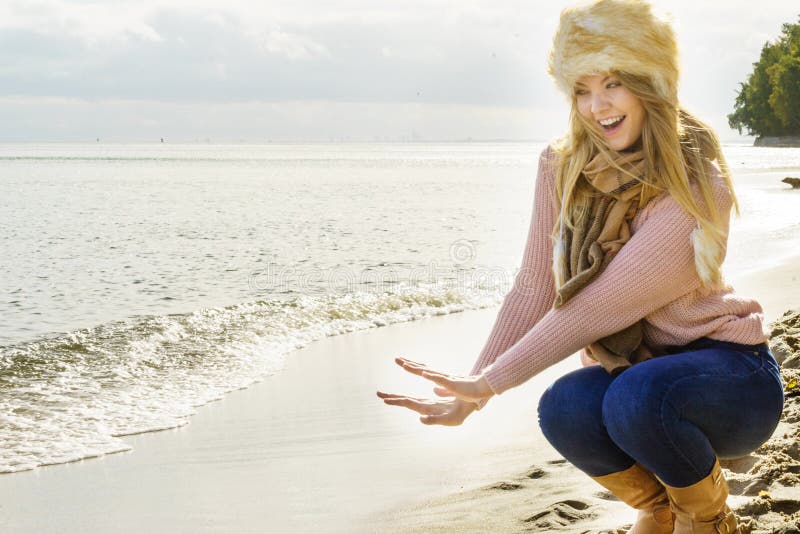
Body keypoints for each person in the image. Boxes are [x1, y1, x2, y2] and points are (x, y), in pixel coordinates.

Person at [376, 1, 785, 532]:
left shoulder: (697, 186)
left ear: (651, 83)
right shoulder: (562, 166)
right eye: (581, 89)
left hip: (732, 382)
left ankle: (704, 517)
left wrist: (493, 383)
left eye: (613, 83)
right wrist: (472, 386)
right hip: (636, 377)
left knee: (638, 395)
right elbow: (534, 286)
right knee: (566, 404)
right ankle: (659, 508)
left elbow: (599, 307)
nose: (597, 106)